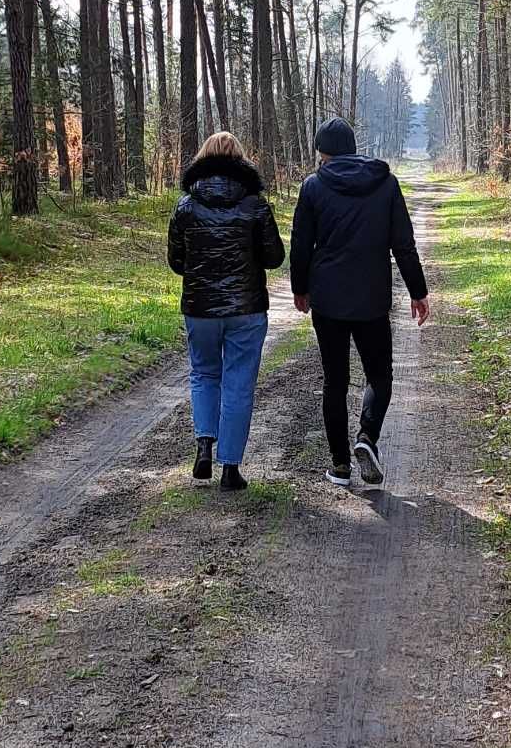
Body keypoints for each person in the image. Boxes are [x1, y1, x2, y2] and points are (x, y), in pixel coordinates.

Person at [289, 117, 429, 488]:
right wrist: (418, 291)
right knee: (379, 375)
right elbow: (403, 243)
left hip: (328, 299)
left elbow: (301, 245)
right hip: (372, 299)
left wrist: (299, 288)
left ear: (323, 153)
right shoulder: (385, 183)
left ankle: (339, 466)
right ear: (353, 148)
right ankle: (367, 436)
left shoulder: (313, 187)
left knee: (335, 380)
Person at [167, 129, 284, 493]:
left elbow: (176, 261)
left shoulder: (186, 206)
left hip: (199, 308)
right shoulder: (255, 205)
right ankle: (230, 468)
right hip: (246, 309)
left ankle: (204, 442)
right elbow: (274, 257)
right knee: (239, 383)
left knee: (204, 374)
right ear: (241, 161)